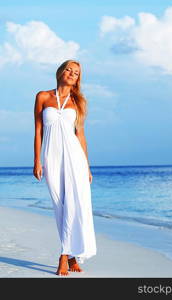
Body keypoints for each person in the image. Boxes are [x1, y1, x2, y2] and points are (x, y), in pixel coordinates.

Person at [33, 60, 97, 276]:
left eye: (76, 72)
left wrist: (87, 167)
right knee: (59, 205)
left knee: (72, 205)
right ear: (60, 72)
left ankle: (63, 255)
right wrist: (37, 161)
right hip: (51, 157)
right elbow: (38, 131)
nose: (72, 74)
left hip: (75, 159)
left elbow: (80, 135)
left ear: (78, 79)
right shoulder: (43, 96)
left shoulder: (78, 102)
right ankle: (71, 256)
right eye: (69, 69)